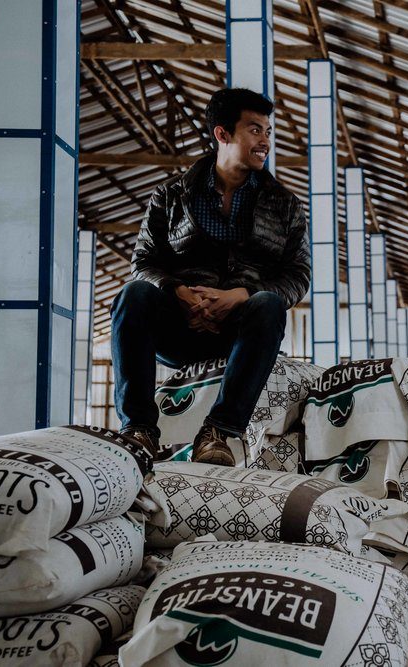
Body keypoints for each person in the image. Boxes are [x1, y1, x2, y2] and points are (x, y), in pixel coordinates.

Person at [111, 88, 310, 466]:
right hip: (178, 325)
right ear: (223, 134)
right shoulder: (169, 197)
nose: (265, 140)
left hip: (240, 329)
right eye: (255, 130)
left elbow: (297, 275)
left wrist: (241, 294)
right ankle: (138, 429)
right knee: (132, 294)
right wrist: (178, 291)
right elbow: (142, 262)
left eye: (268, 131)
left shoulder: (284, 204)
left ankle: (220, 431)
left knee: (268, 304)